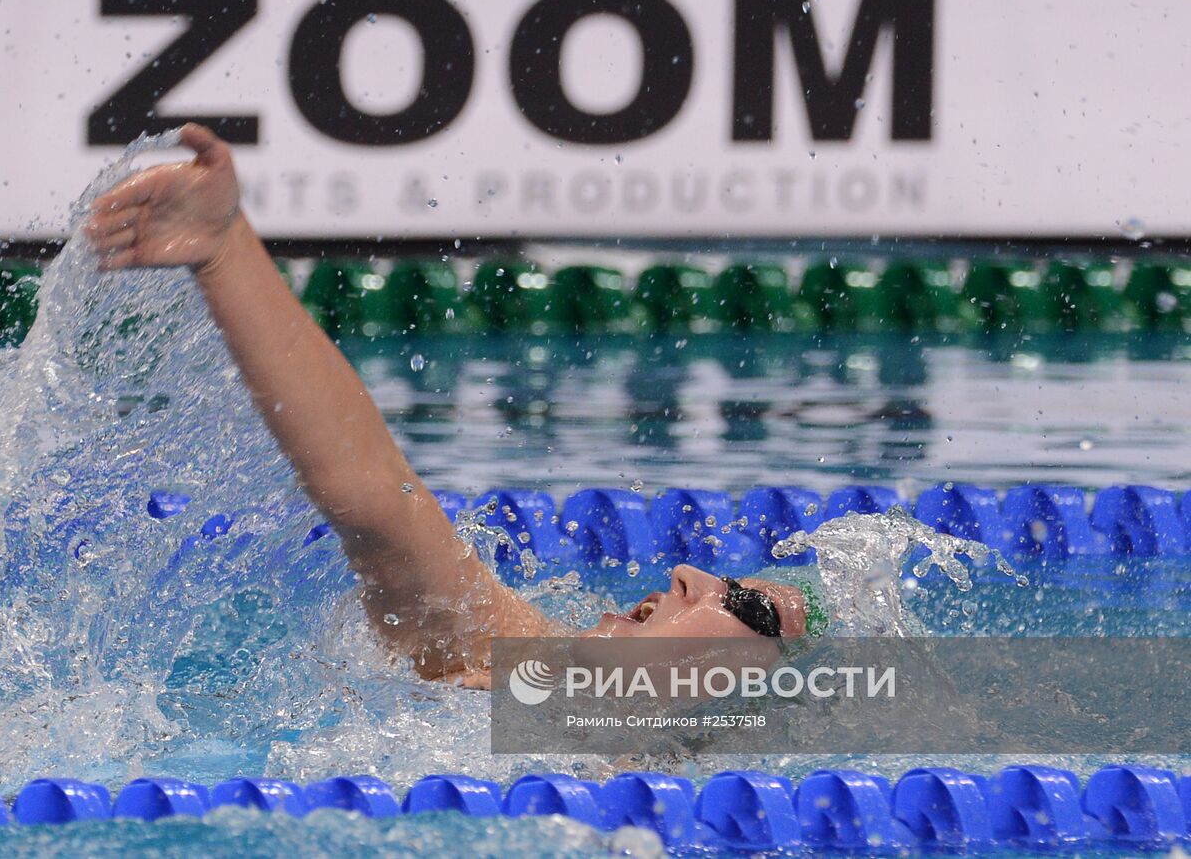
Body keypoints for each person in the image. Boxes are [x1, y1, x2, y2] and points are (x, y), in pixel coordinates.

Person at [84, 124, 806, 688]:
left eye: (738, 610)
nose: (687, 574)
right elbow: (374, 498)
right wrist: (225, 249)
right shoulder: (510, 659)